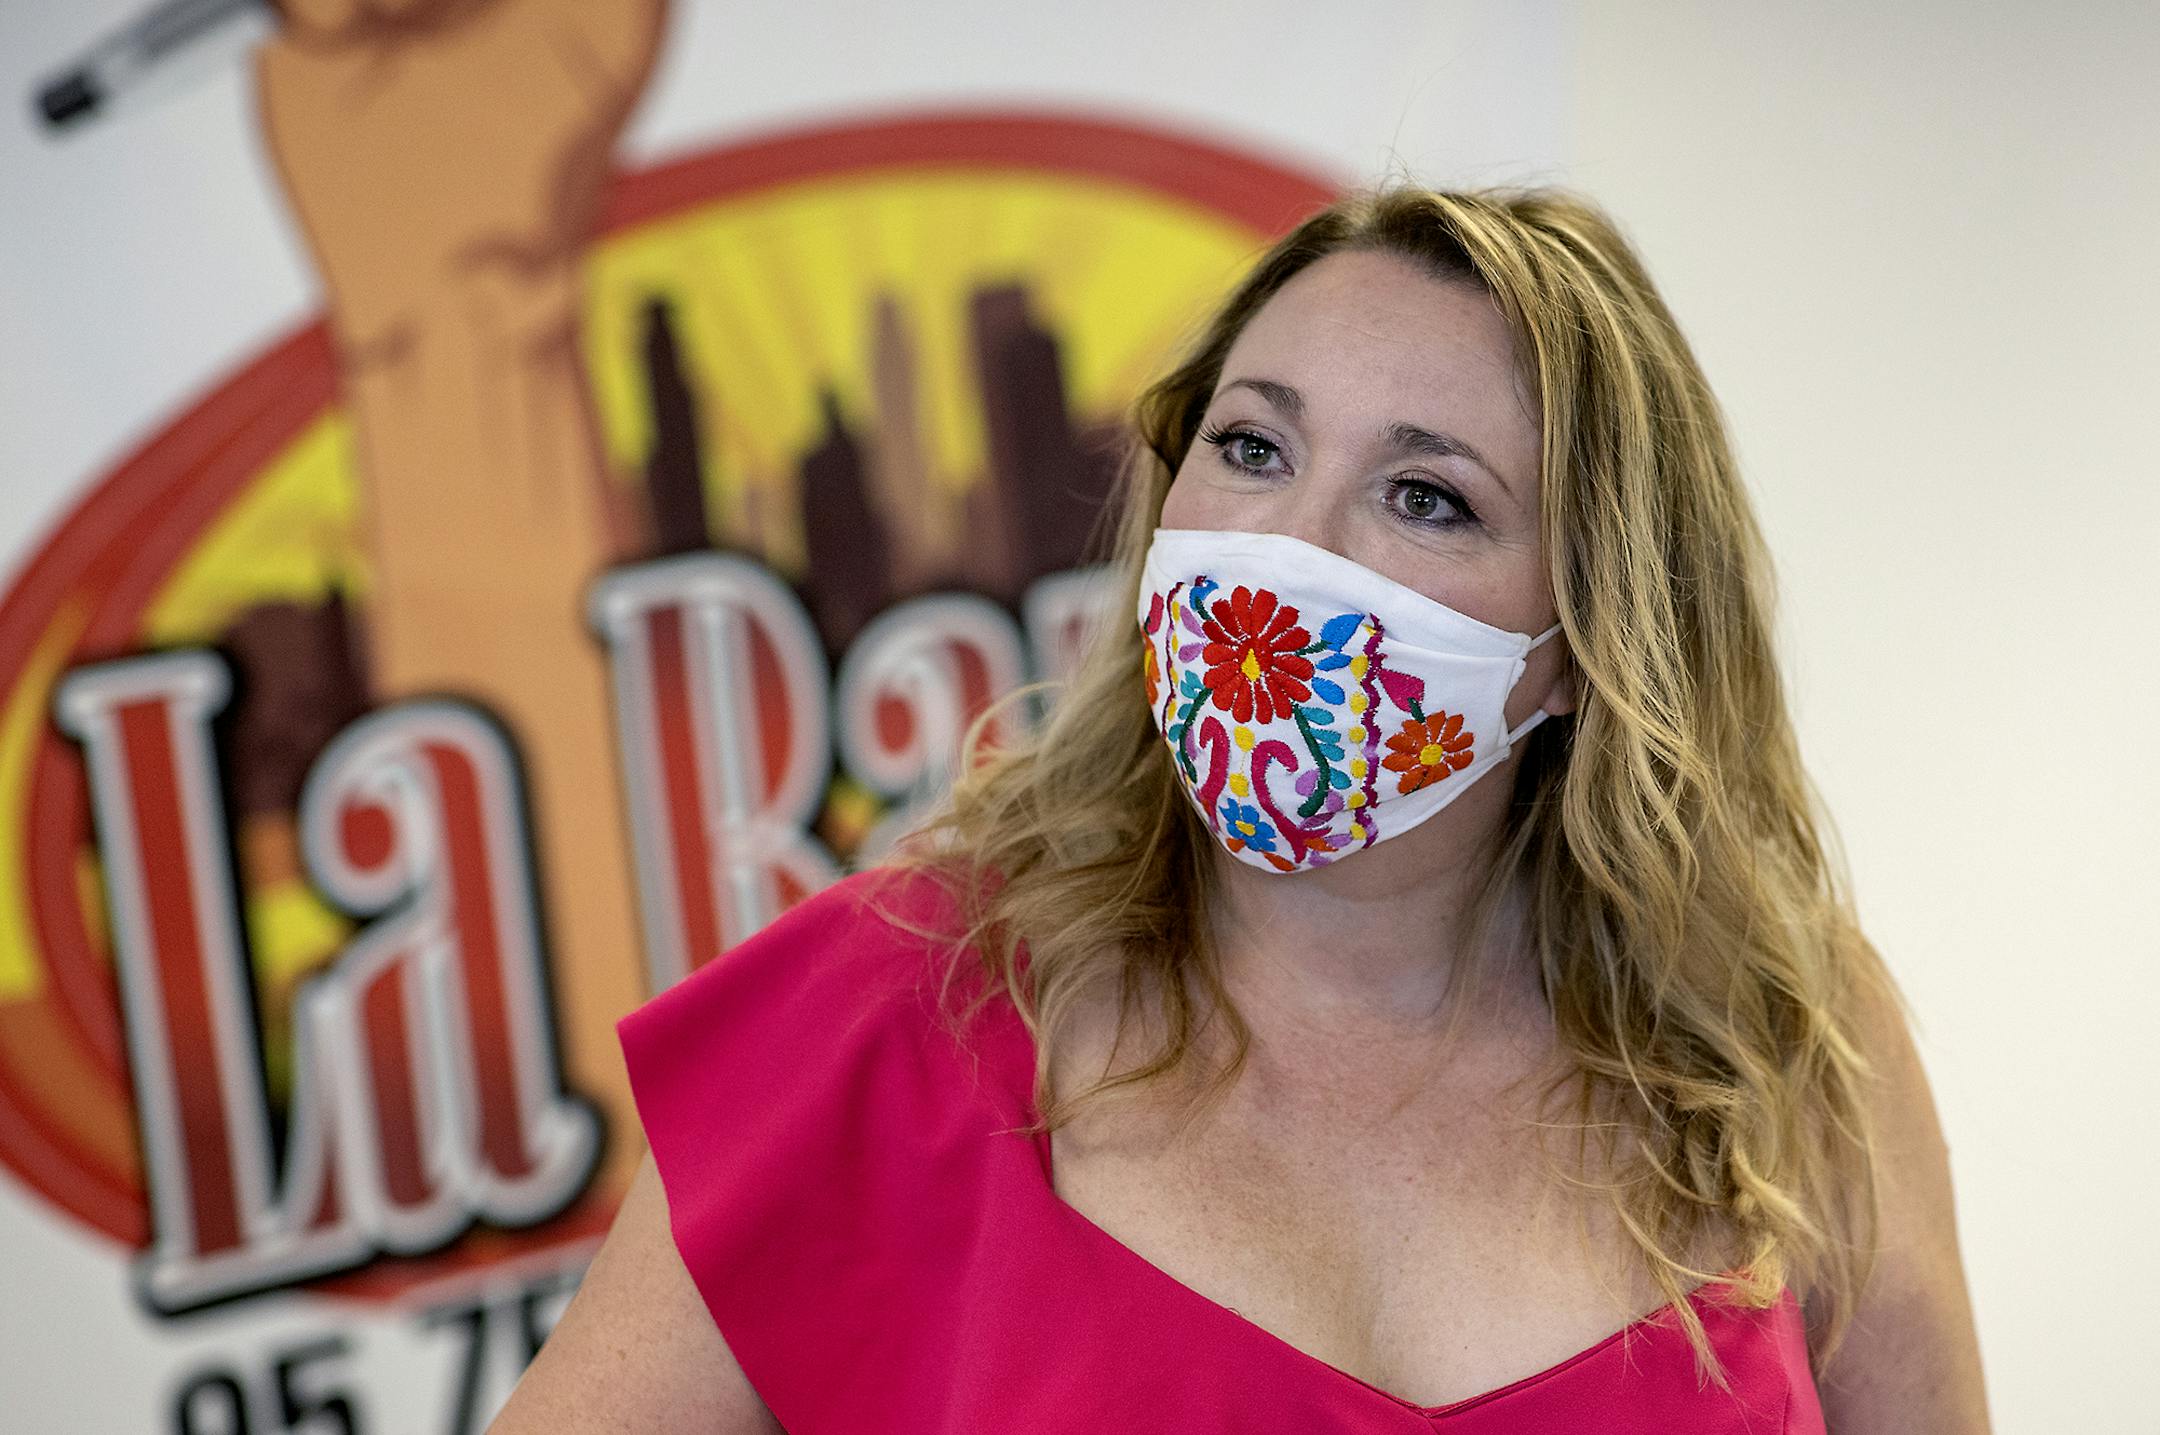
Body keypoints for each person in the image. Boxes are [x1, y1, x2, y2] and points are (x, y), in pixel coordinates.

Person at [490, 185, 1991, 1432]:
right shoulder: (890, 1009)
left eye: (1428, 497)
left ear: (1590, 648)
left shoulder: (1789, 1040)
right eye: (1254, 448)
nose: (1288, 550)